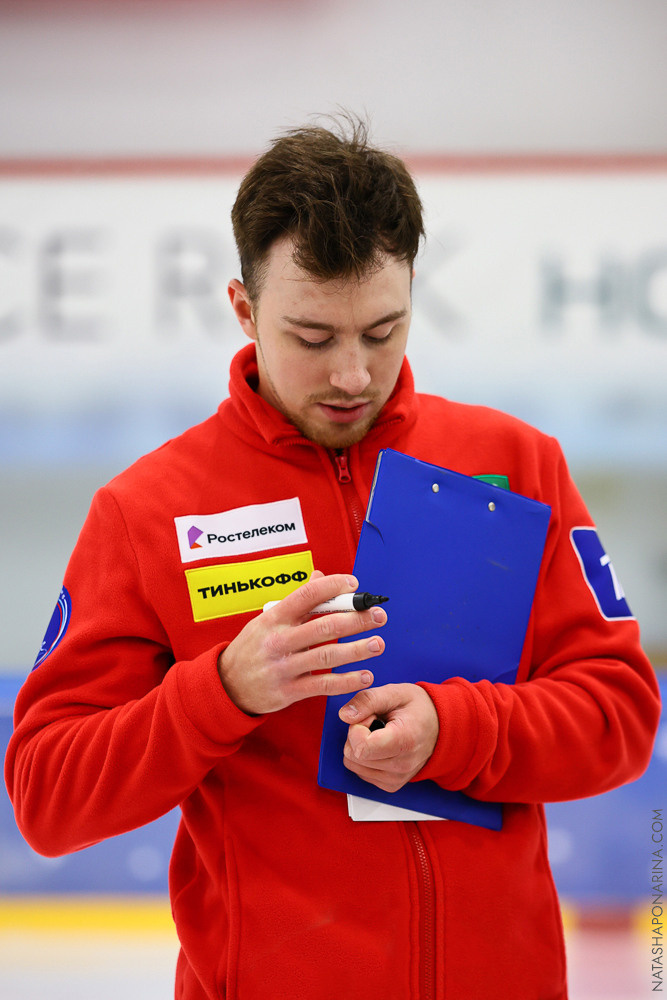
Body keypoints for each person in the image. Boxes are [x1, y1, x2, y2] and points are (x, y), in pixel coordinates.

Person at [5, 115, 661, 1000]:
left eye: (382, 332)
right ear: (243, 308)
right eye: (312, 338)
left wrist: (455, 731)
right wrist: (221, 690)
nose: (352, 374)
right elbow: (48, 796)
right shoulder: (147, 511)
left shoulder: (516, 466)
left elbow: (617, 714)